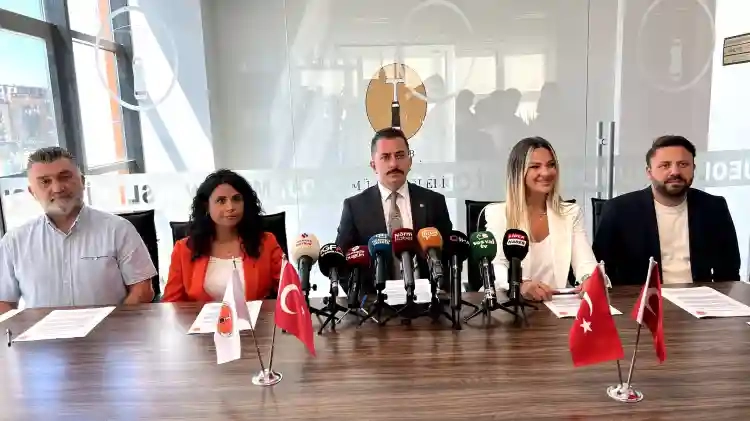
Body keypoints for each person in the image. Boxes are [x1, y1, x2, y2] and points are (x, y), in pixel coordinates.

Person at [0, 147, 156, 314]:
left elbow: (142, 290)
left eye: (65, 177)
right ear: (32, 192)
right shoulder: (14, 242)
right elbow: (3, 302)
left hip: (110, 329)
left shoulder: (118, 229)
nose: (57, 188)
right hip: (40, 331)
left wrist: (113, 324)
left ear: (82, 181)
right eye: (45, 181)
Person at [593, 135, 740, 285]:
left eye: (683, 164)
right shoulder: (619, 210)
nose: (675, 172)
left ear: (693, 169)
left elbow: (730, 270)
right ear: (649, 172)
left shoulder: (713, 207)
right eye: (665, 165)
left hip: (699, 295)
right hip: (642, 296)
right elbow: (601, 270)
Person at [335, 127, 453, 289]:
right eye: (385, 157)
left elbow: (448, 256)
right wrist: (363, 299)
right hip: (375, 301)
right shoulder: (355, 207)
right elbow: (342, 263)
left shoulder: (434, 202)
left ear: (410, 161)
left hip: (427, 299)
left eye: (400, 155)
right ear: (373, 165)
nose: (394, 164)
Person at [484, 137, 598, 301]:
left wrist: (589, 279)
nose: (546, 172)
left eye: (551, 165)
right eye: (535, 166)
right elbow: (496, 266)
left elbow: (585, 263)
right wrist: (521, 284)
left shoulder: (570, 213)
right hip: (510, 303)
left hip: (556, 304)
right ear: (518, 172)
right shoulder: (498, 213)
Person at [163, 169, 283, 302]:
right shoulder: (184, 249)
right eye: (221, 201)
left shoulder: (266, 242)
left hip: (254, 315)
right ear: (206, 206)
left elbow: (289, 291)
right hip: (200, 316)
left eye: (236, 199)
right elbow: (171, 303)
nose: (230, 207)